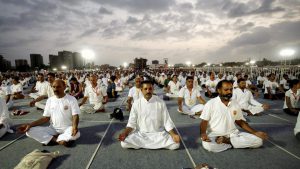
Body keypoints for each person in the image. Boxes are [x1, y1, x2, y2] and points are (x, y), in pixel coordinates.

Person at [200, 80, 268, 153]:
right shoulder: (211, 103)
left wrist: (255, 132)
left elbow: (240, 122)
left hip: (233, 134)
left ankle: (228, 142)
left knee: (258, 141)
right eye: (226, 90)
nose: (229, 92)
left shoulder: (235, 103)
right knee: (209, 146)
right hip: (215, 135)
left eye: (231, 89)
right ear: (219, 90)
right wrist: (203, 134)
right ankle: (233, 143)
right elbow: (204, 121)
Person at [119, 80, 180, 150]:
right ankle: (153, 145)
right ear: (141, 90)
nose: (148, 91)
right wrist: (125, 133)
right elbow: (131, 123)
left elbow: (167, 122)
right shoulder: (136, 103)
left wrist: (173, 135)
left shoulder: (160, 102)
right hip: (141, 134)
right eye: (145, 89)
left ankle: (143, 145)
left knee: (175, 144)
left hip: (158, 134)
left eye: (150, 89)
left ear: (153, 89)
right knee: (124, 143)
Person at [18, 80, 80, 147]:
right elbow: (46, 118)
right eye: (54, 87)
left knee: (77, 134)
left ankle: (51, 139)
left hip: (67, 128)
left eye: (58, 87)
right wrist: (30, 125)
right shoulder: (50, 100)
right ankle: (59, 140)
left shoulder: (71, 99)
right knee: (29, 131)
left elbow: (75, 115)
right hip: (53, 129)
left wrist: (75, 127)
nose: (55, 89)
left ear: (64, 87)